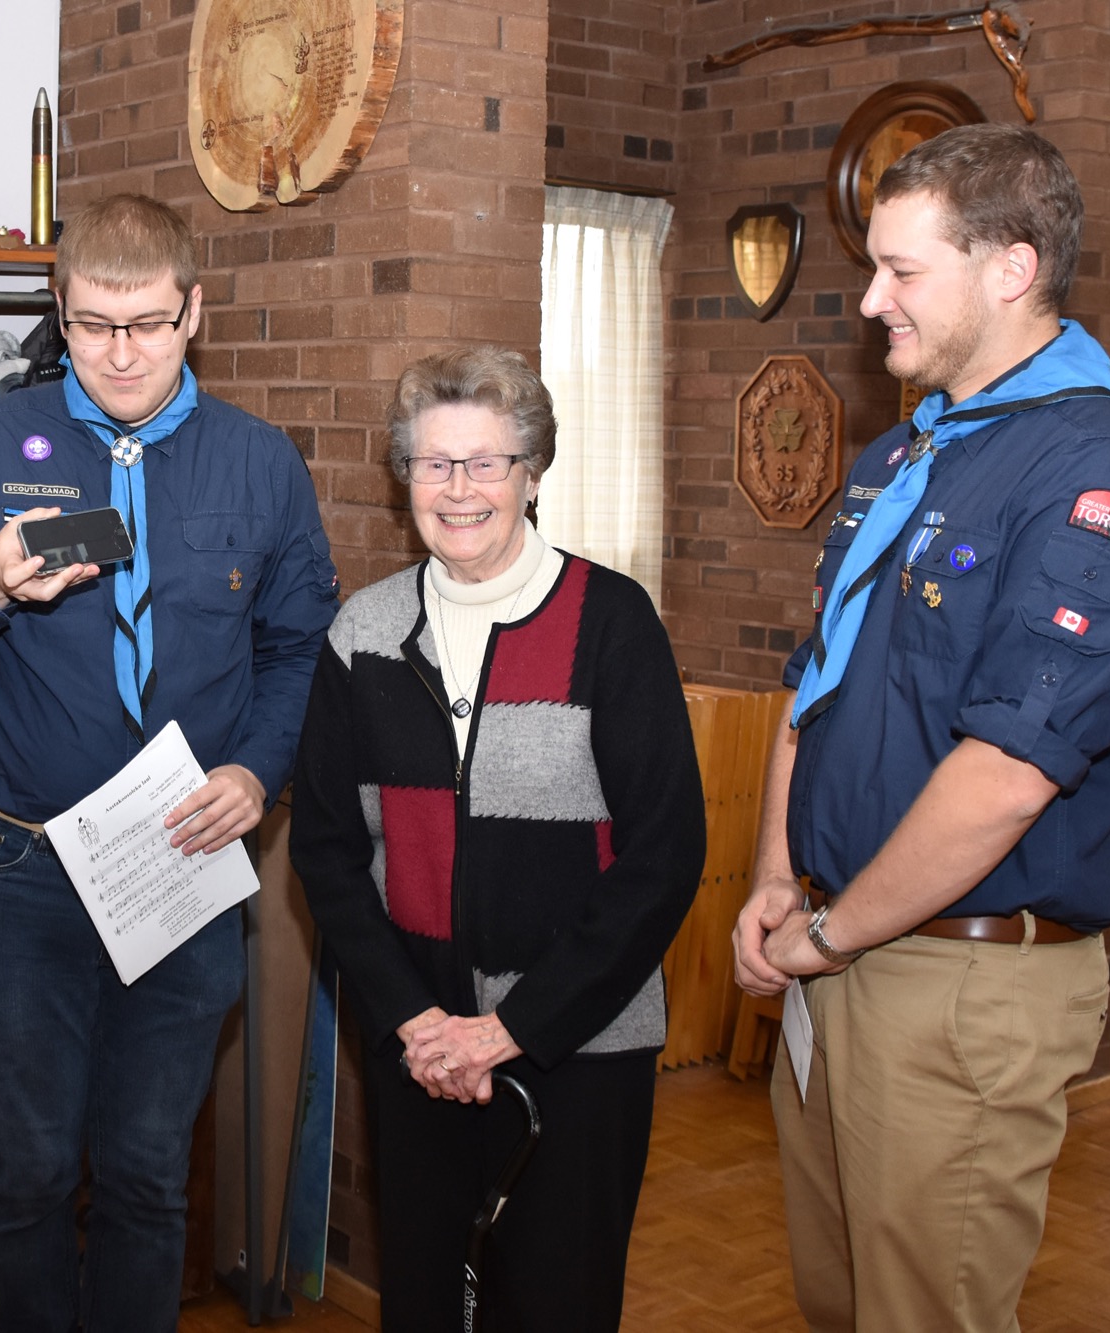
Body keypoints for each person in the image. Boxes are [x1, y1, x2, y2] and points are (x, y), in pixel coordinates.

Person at [731, 124, 1110, 1332]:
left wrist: (831, 932)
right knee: (838, 1302)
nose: (870, 297)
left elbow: (1004, 775)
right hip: (838, 944)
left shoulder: (1093, 473)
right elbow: (815, 681)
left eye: (902, 270)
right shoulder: (903, 453)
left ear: (1008, 269)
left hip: (957, 974)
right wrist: (778, 877)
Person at [0, 192, 338, 1332]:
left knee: (142, 1172)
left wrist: (257, 772)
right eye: (90, 325)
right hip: (14, 864)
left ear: (194, 315)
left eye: (147, 324)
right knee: (26, 1173)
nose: (119, 353)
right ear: (56, 313)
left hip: (179, 857)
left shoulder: (259, 465)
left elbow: (295, 651)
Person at [289, 346, 707, 1333]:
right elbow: (326, 851)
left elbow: (663, 856)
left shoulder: (609, 620)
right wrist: (413, 1021)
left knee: (551, 1304)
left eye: (486, 462)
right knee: (428, 1303)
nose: (459, 487)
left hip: (579, 1050)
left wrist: (516, 1025)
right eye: (434, 463)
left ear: (530, 473)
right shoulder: (365, 633)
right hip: (419, 1050)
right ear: (404, 478)